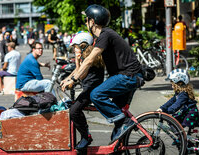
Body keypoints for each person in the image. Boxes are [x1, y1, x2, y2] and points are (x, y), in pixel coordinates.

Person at [61, 4, 142, 143]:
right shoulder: (103, 37)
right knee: (117, 114)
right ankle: (118, 146)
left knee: (96, 94)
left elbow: (90, 60)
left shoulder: (105, 34)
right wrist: (70, 77)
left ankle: (125, 123)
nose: (86, 23)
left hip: (128, 76)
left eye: (86, 20)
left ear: (92, 21)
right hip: (127, 76)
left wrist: (73, 79)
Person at [60, 32, 104, 149]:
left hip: (92, 89)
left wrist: (77, 62)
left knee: (74, 110)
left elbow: (81, 75)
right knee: (73, 106)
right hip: (89, 88)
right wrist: (66, 79)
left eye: (75, 47)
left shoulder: (89, 58)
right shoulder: (86, 56)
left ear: (83, 45)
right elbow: (76, 72)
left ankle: (86, 136)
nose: (74, 50)